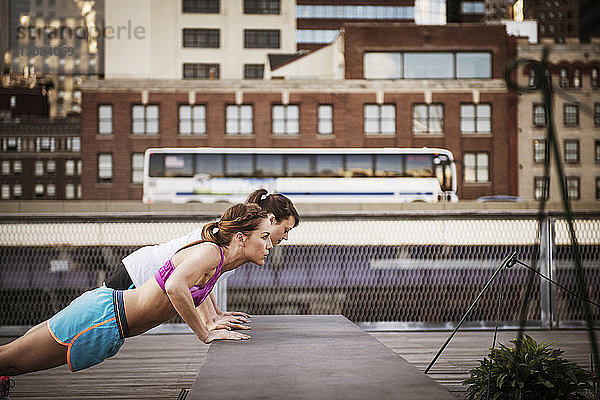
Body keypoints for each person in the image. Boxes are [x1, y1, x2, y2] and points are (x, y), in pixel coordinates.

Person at [0, 203, 272, 388]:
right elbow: (175, 286)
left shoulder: (220, 261)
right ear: (240, 237)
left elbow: (196, 290)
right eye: (264, 237)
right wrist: (204, 332)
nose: (270, 244)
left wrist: (216, 319)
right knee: (10, 360)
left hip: (112, 327)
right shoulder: (210, 253)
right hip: (101, 318)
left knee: (13, 364)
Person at [104, 189, 300, 332]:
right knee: (100, 326)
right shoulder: (220, 243)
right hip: (137, 275)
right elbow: (188, 279)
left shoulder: (236, 242)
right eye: (286, 230)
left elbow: (203, 280)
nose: (285, 237)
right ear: (272, 220)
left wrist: (217, 314)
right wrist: (207, 324)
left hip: (145, 282)